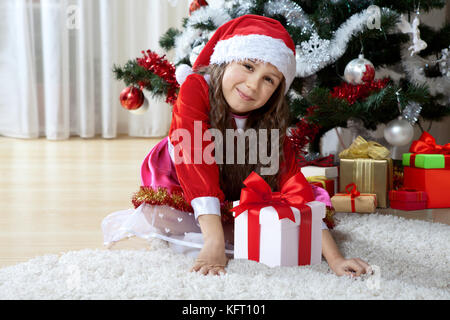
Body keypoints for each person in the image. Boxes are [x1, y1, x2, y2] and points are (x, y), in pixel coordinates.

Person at [102, 14, 371, 278]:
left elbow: (292, 185)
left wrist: (335, 258)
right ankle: (210, 230)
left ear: (277, 91)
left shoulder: (268, 119)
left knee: (273, 225)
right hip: (186, 174)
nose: (253, 85)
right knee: (167, 220)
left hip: (232, 183)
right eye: (248, 66)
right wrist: (214, 240)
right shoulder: (196, 87)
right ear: (226, 60)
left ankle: (218, 227)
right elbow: (194, 156)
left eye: (269, 79)